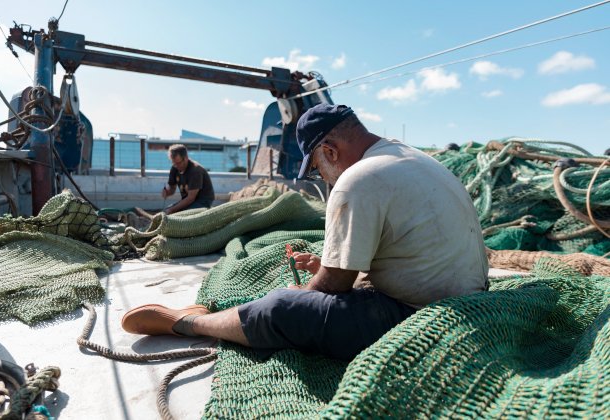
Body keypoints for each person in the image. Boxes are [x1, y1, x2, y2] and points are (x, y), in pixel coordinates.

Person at [122, 104, 489, 361]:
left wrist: (309, 288)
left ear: (329, 151)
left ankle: (188, 323)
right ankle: (206, 316)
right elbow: (410, 248)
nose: (323, 179)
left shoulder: (356, 180)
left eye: (316, 170)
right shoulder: (410, 157)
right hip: (470, 298)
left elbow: (332, 288)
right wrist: (328, 269)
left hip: (422, 315)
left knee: (285, 307)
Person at [162, 144, 215, 214]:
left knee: (179, 214)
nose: (176, 166)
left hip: (203, 201)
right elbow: (172, 190)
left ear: (186, 158)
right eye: (173, 163)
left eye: (178, 163)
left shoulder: (195, 171)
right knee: (166, 212)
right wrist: (167, 192)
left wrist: (172, 209)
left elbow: (191, 198)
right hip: (187, 201)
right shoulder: (174, 168)